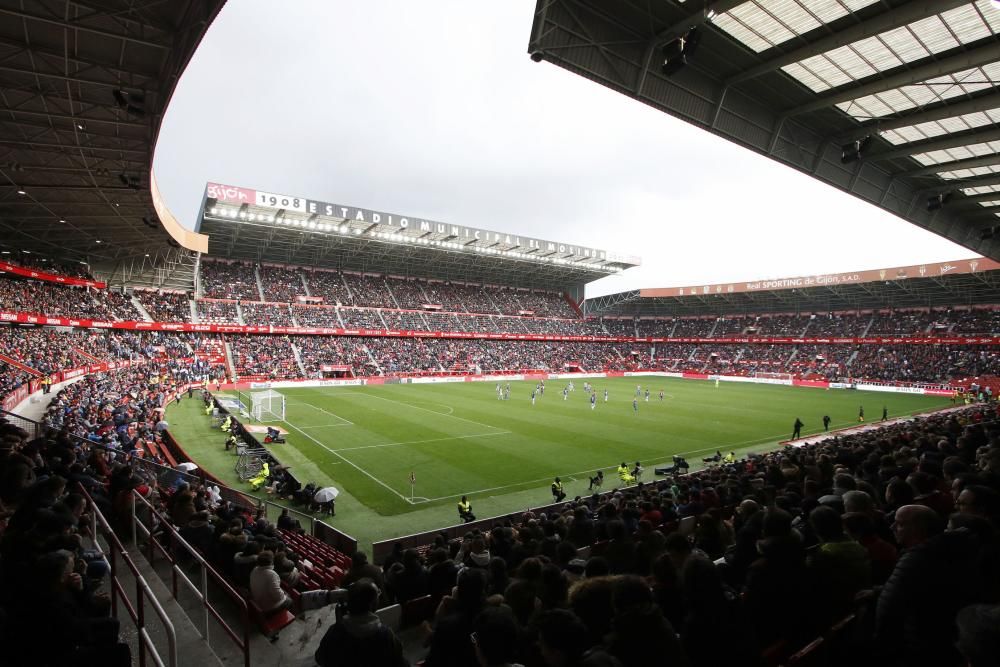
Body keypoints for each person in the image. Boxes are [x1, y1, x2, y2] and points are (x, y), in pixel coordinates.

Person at [314, 579, 407, 667]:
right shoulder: (386, 635)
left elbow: (320, 659)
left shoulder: (334, 631)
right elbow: (401, 663)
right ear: (372, 604)